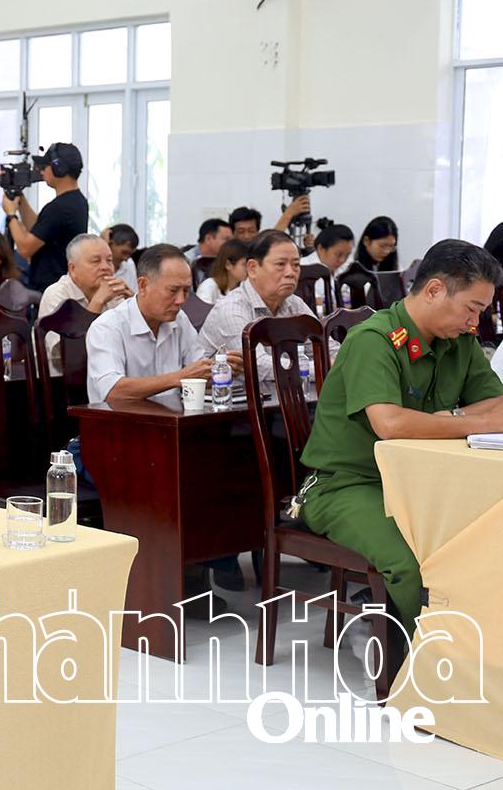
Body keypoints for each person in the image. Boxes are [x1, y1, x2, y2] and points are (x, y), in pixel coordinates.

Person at [300, 240, 503, 637]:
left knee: (479, 544)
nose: (474, 322)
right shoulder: (373, 340)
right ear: (434, 290)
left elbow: (497, 404)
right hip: (349, 484)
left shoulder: (458, 341)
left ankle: (475, 646)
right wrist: (473, 421)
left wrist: (451, 418)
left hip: (420, 481)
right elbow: (390, 424)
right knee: (412, 562)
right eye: (472, 308)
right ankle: (428, 657)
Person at [85, 244, 241, 405]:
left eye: (186, 291)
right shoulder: (107, 327)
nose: (181, 300)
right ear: (143, 285)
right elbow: (113, 392)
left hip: (171, 415)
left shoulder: (179, 319)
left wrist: (222, 369)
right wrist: (179, 378)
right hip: (118, 419)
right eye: (173, 290)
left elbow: (197, 375)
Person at [197, 230, 312, 393]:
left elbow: (327, 348)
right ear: (252, 268)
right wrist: (319, 367)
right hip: (225, 403)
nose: (290, 273)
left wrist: (334, 363)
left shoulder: (294, 303)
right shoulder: (232, 308)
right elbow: (260, 366)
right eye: (280, 264)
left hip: (277, 396)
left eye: (296, 265)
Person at [38, 234, 132, 376]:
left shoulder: (114, 294)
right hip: (64, 382)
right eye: (96, 261)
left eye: (109, 260)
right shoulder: (57, 294)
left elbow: (132, 345)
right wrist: (97, 302)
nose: (105, 267)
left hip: (109, 376)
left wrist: (135, 305)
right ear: (72, 269)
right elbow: (65, 356)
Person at [3, 142, 89, 292]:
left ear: (58, 168)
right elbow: (38, 229)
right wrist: (20, 198)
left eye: (45, 166)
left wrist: (11, 215)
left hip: (50, 288)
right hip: (60, 286)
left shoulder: (59, 208)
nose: (42, 171)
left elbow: (25, 248)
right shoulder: (75, 201)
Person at [196, 238, 250, 305]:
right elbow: (198, 311)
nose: (248, 269)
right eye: (244, 264)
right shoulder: (209, 286)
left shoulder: (244, 288)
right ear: (228, 265)